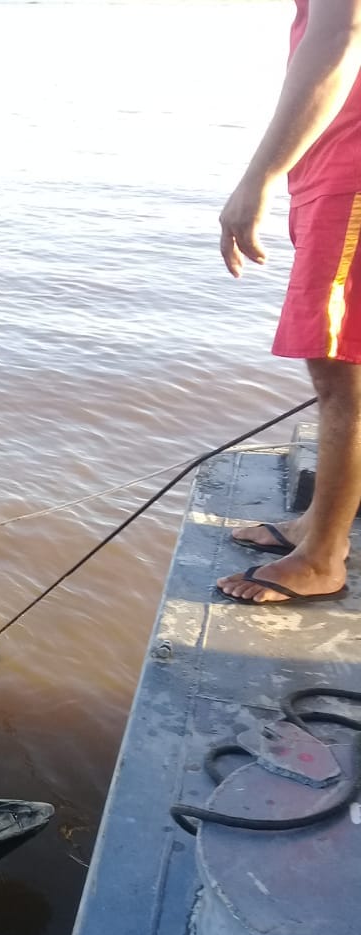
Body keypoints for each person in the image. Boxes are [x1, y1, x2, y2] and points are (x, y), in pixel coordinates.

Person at [217, 0, 361, 605]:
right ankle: (317, 528)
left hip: (351, 165)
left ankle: (324, 557)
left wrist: (258, 178)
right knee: (336, 365)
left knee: (342, 370)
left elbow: (341, 34)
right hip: (332, 159)